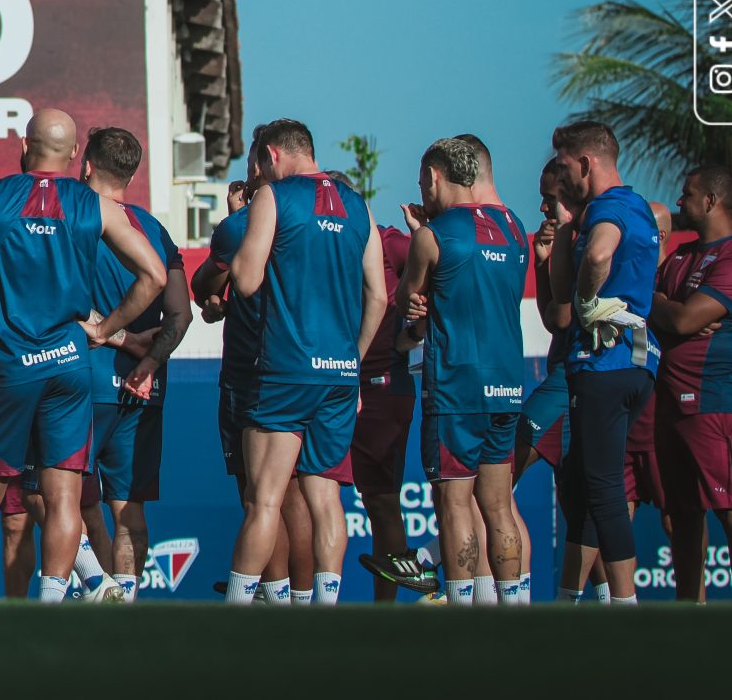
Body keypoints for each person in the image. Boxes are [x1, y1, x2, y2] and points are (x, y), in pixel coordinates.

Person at [0, 108, 163, 602]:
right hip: (68, 366)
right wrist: (105, 329)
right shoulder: (94, 206)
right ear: (74, 155)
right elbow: (155, 277)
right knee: (64, 499)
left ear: (24, 144)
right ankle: (53, 607)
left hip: (8, 370)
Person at [223, 118, 383, 606]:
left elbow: (246, 281)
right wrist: (351, 362)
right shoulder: (358, 204)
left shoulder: (275, 197)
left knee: (263, 500)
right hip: (340, 374)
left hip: (286, 368)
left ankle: (234, 608)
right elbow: (377, 295)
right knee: (326, 498)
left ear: (272, 155)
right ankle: (326, 607)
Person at [395, 134, 530, 604]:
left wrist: (419, 235)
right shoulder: (514, 227)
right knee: (498, 507)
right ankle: (511, 604)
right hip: (508, 381)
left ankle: (459, 605)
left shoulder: (432, 237)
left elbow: (408, 309)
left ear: (434, 177)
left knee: (454, 506)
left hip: (457, 387)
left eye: (421, 182)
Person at [544, 119, 660, 604]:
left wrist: (590, 297)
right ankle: (570, 600)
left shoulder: (608, 209)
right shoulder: (636, 206)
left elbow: (599, 255)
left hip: (605, 365)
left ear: (587, 163)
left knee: (605, 488)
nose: (561, 177)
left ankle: (625, 605)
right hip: (634, 365)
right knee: (586, 486)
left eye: (566, 166)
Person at [78, 126, 189, 600]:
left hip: (82, 382)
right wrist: (150, 360)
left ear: (86, 167)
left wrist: (119, 339)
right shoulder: (155, 230)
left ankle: (96, 584)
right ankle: (125, 596)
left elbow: (64, 301)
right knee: (129, 509)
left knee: (62, 498)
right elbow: (180, 313)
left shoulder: (77, 220)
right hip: (142, 387)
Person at [651, 163, 732, 602]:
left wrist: (666, 309)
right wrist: (666, 309)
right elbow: (658, 311)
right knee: (681, 514)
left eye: (687, 194)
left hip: (715, 402)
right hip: (669, 403)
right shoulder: (680, 257)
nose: (680, 202)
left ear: (711, 202)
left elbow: (681, 319)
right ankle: (690, 610)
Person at [351, 210, 421, 599]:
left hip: (384, 386)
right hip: (335, 383)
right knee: (309, 494)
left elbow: (437, 271)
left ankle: (386, 612)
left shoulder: (391, 241)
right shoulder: (332, 243)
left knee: (382, 502)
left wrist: (414, 332)